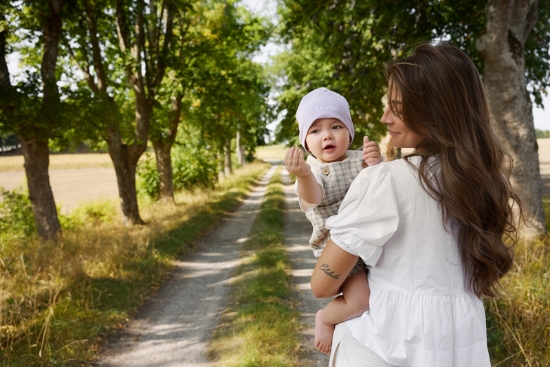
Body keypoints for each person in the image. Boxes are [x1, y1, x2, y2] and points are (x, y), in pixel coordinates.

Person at [310, 43, 522, 366]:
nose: (384, 118)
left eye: (397, 108)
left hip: (379, 348)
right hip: (459, 348)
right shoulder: (480, 183)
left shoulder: (385, 181)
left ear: (433, 112)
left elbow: (322, 284)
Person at [284, 87, 382, 354]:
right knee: (361, 300)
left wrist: (376, 163)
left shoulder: (358, 159)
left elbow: (379, 188)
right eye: (315, 131)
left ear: (349, 134)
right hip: (337, 247)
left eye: (336, 126)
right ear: (305, 143)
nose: (326, 135)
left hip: (371, 241)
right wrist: (303, 175)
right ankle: (325, 317)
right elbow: (313, 198)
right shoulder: (311, 172)